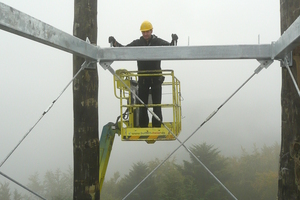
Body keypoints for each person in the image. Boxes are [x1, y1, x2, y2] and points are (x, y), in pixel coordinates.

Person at [109, 20, 178, 128]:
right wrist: (115, 43)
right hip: (143, 79)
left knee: (157, 105)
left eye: (147, 31)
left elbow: (169, 48)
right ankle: (143, 125)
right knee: (142, 104)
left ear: (151, 31)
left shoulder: (157, 42)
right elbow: (125, 50)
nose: (145, 34)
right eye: (143, 32)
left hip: (155, 79)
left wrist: (174, 41)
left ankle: (156, 125)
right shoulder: (138, 43)